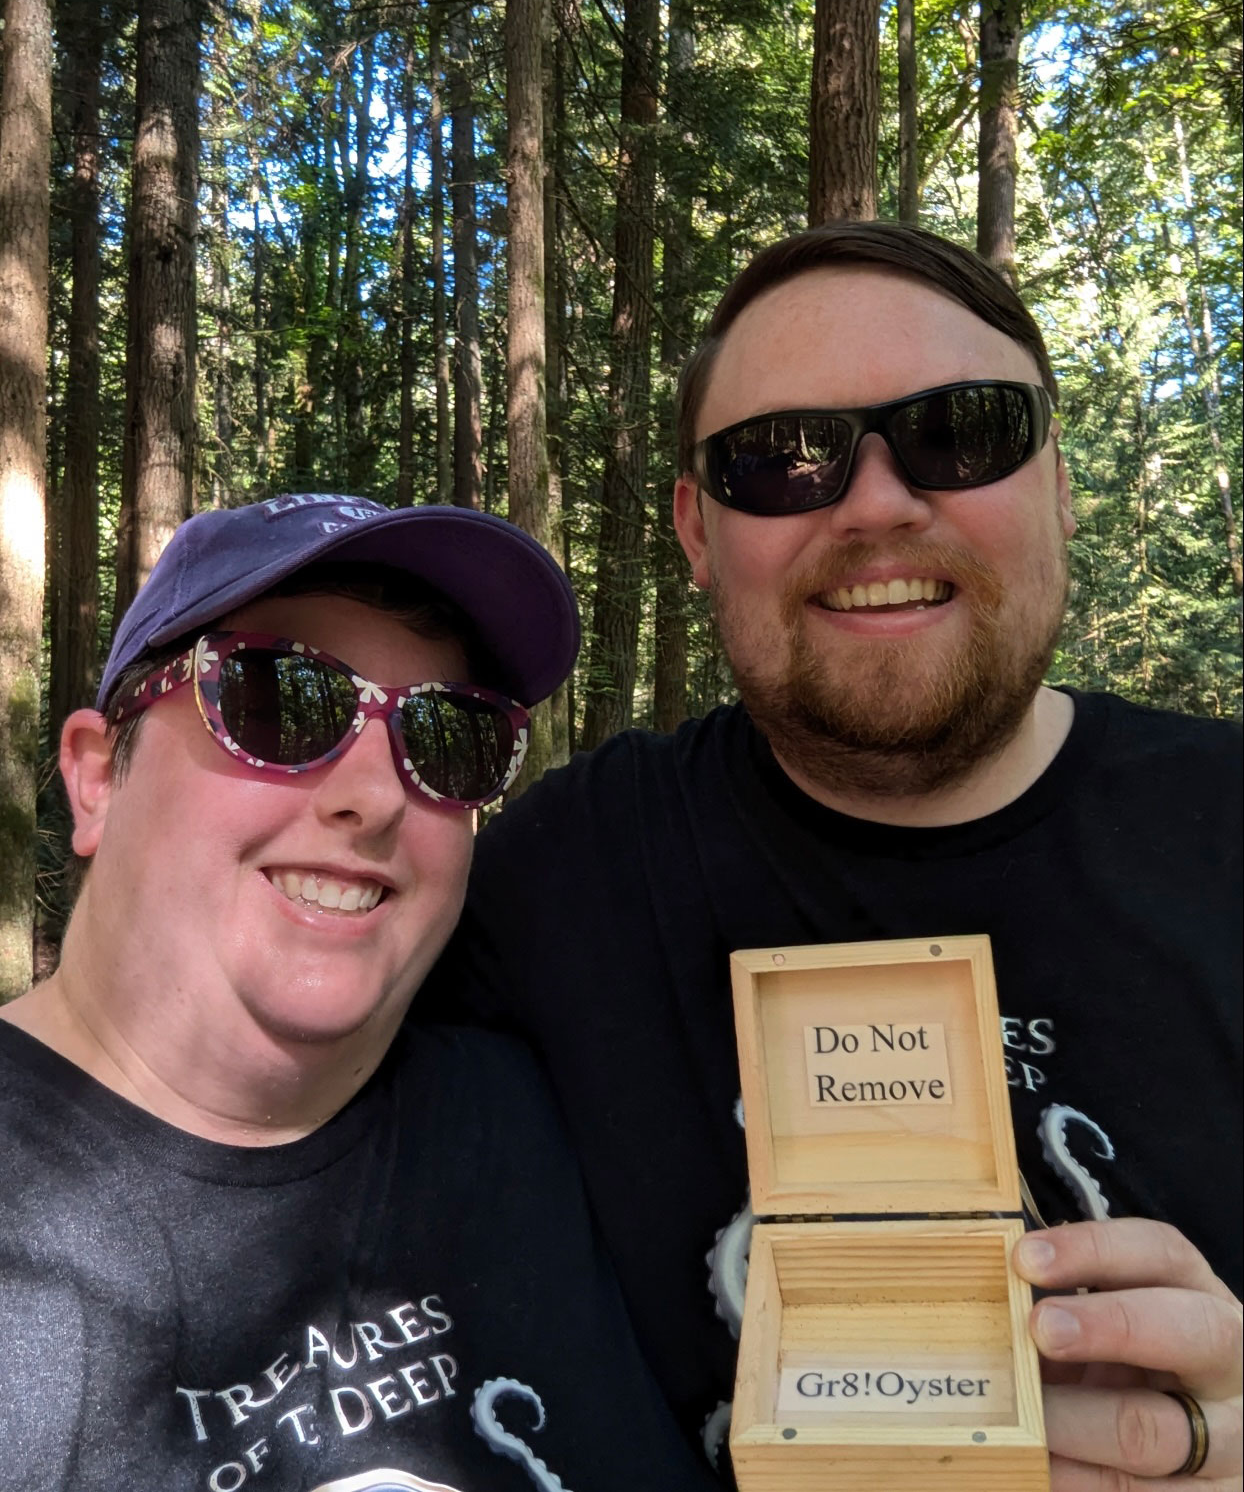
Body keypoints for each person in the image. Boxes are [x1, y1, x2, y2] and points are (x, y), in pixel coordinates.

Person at [422, 224, 1243, 1488]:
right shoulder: (558, 880)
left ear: (1058, 484)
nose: (874, 502)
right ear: (696, 531)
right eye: (778, 458)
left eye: (961, 431)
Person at [0, 492, 720, 1492]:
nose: (376, 796)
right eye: (272, 701)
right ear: (95, 777)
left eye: (450, 738)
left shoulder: (536, 1117)